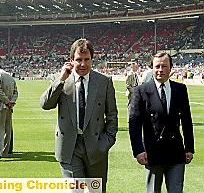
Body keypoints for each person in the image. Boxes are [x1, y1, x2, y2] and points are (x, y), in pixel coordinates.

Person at [40, 38, 118, 193]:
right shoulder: (61, 79)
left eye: (87, 59)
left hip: (96, 146)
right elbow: (45, 104)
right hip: (70, 147)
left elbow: (112, 115)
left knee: (97, 191)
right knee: (75, 191)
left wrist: (106, 142)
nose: (83, 64)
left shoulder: (104, 81)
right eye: (78, 60)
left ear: (92, 59)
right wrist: (61, 79)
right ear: (71, 60)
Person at [129, 53, 195, 193]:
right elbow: (134, 123)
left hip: (176, 152)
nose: (160, 69)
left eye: (164, 66)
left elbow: (187, 121)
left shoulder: (180, 90)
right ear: (152, 68)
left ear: (171, 68)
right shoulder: (141, 91)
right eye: (157, 66)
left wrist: (189, 147)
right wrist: (138, 151)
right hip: (152, 153)